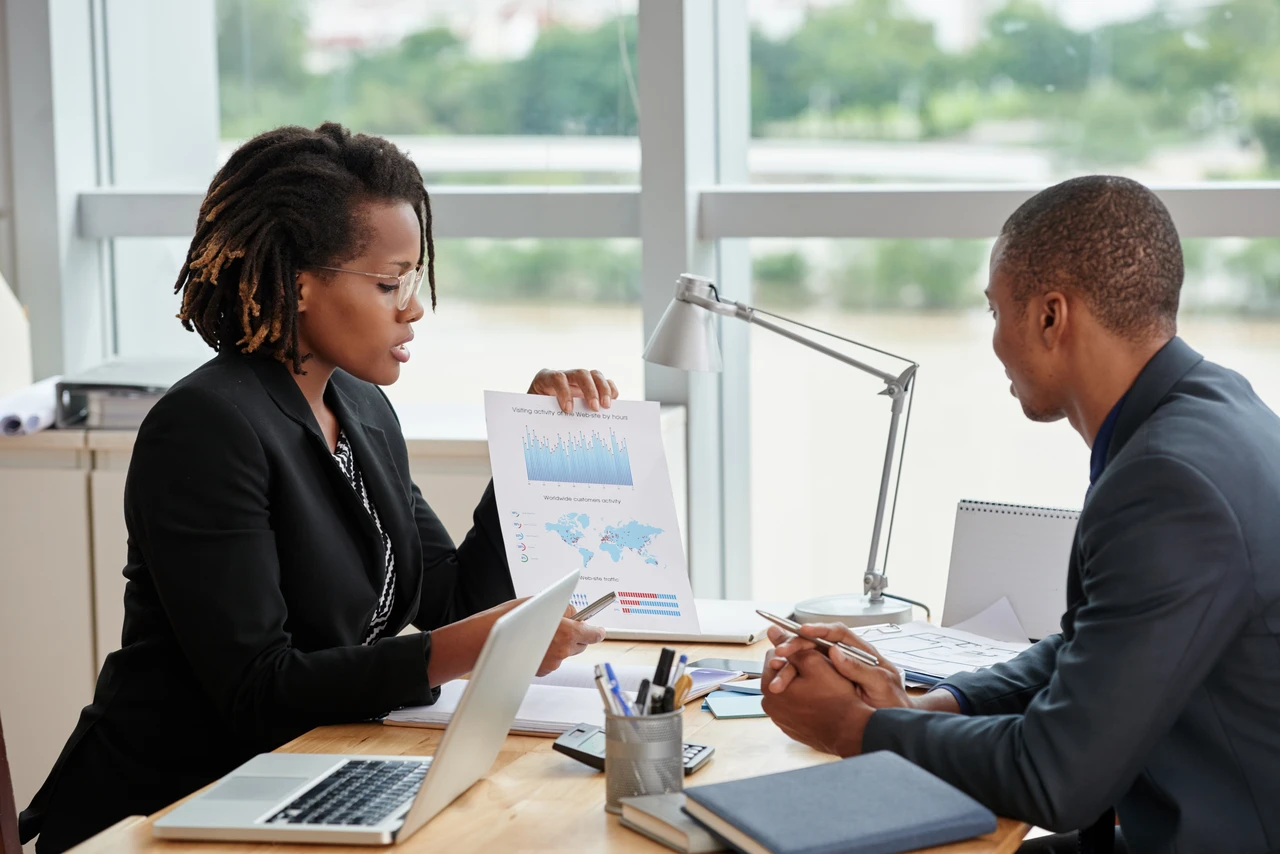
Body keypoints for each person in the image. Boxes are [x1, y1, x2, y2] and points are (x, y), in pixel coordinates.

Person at [20, 123, 614, 853]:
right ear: (301, 283)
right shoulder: (206, 427)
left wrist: (529, 448)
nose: (415, 306)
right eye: (390, 282)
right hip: (171, 807)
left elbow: (452, 600)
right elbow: (257, 690)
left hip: (304, 778)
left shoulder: (361, 409)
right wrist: (469, 646)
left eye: (415, 279)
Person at [760, 176, 1280, 854]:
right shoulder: (1211, 409)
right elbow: (1091, 648)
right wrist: (926, 705)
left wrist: (851, 730)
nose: (996, 340)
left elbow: (1053, 777)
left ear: (1050, 316)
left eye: (996, 311)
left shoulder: (1166, 482)